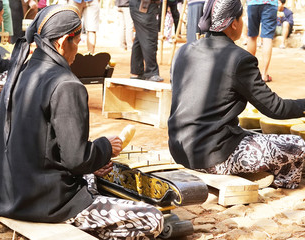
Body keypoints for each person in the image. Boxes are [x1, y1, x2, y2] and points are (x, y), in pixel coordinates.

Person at [0, 5, 163, 239]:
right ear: (61, 42)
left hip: (7, 196)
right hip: (45, 203)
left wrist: (92, 162)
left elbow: (45, 145)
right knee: (153, 218)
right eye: (77, 42)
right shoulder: (67, 85)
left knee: (92, 175)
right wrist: (106, 147)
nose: (77, 51)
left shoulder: (21, 71)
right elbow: (76, 160)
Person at [168, 0, 305, 189]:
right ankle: (283, 182)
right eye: (242, 18)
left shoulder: (183, 51)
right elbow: (275, 109)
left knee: (248, 133)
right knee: (297, 145)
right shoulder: (240, 59)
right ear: (234, 23)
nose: (243, 23)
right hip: (212, 157)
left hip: (179, 149)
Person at [129, 0, 163, 82]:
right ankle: (151, 72)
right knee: (149, 37)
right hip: (144, 6)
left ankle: (136, 71)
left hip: (141, 6)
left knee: (141, 37)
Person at [246, 0, 277, 82]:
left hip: (252, 3)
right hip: (270, 3)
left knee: (252, 36)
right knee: (267, 38)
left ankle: (249, 71)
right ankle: (264, 74)